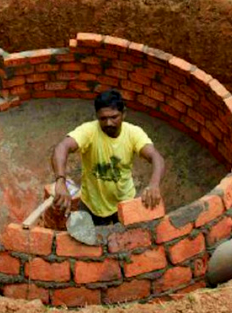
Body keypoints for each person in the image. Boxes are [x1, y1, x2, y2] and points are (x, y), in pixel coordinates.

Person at [51, 89, 165, 226]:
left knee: (126, 241)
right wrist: (60, 181)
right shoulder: (89, 131)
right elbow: (62, 147)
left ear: (124, 114)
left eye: (114, 117)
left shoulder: (134, 133)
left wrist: (154, 184)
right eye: (103, 118)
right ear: (97, 117)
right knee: (91, 242)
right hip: (91, 204)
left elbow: (156, 157)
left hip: (124, 200)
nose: (108, 123)